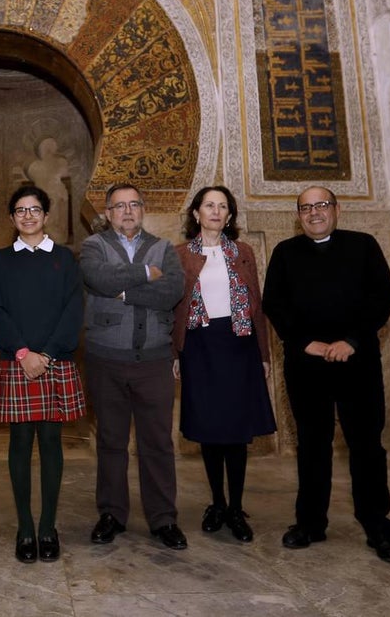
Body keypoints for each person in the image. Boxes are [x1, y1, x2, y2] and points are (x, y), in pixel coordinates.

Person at [262, 186, 390, 564]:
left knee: (367, 447)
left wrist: (352, 341)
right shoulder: (284, 253)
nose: (314, 213)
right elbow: (274, 303)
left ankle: (378, 528)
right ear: (298, 215)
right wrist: (303, 342)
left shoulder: (363, 245)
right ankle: (309, 524)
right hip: (306, 365)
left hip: (357, 362)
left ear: (336, 210)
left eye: (321, 205)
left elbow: (382, 297)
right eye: (306, 208)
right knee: (311, 445)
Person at [80, 183, 186, 550]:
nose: (127, 211)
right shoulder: (94, 246)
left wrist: (124, 291)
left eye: (134, 205)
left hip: (154, 360)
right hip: (106, 360)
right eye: (119, 206)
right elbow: (99, 278)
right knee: (110, 440)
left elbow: (172, 290)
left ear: (143, 210)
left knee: (157, 442)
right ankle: (111, 514)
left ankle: (163, 519)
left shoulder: (165, 249)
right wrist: (144, 274)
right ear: (107, 213)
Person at [172, 186, 276, 543]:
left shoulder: (243, 252)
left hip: (239, 344)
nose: (215, 211)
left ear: (229, 215)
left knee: (235, 431)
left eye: (222, 206)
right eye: (208, 205)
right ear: (196, 213)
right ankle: (216, 503)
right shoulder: (180, 254)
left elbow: (257, 307)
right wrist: (175, 353)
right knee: (210, 431)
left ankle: (236, 507)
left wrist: (263, 355)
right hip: (199, 346)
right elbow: (172, 309)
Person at [0, 186, 85, 563]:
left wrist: (46, 354)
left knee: (50, 445)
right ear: (12, 218)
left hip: (54, 361)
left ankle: (48, 527)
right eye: (20, 210)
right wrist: (24, 353)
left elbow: (73, 309)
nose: (28, 216)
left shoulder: (64, 259)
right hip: (18, 362)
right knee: (19, 445)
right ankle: (25, 527)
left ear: (46, 215)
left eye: (35, 210)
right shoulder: (1, 261)